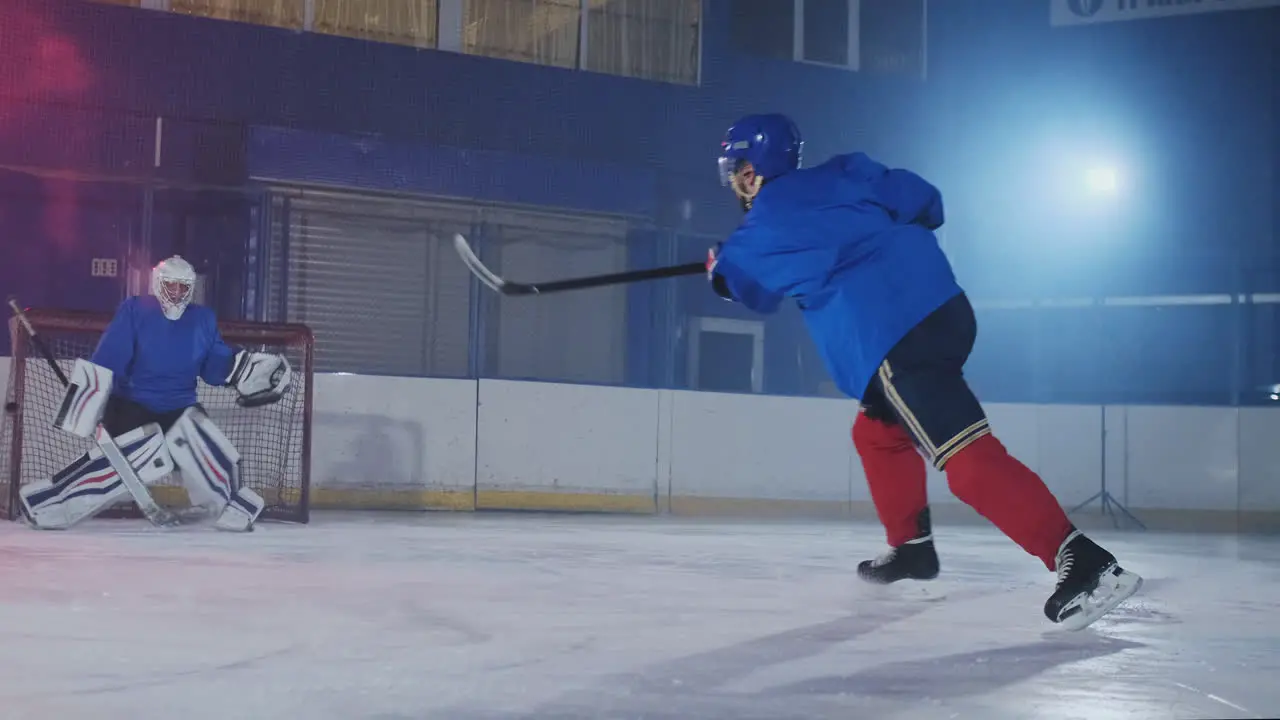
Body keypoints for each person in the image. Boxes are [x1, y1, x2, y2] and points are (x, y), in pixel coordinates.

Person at [705, 113, 1142, 630]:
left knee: (966, 459)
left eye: (738, 170)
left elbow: (744, 288)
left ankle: (1084, 561)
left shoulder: (762, 228)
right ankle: (912, 548)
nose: (736, 181)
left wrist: (718, 270)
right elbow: (925, 200)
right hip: (946, 310)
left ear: (754, 171)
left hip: (893, 338)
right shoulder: (849, 171)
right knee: (877, 432)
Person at [20, 255, 292, 532]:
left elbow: (215, 364)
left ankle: (229, 502)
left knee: (199, 437)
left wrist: (247, 370)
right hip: (132, 407)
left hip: (179, 406)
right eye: (170, 286)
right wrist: (87, 401)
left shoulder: (202, 319)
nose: (176, 293)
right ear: (157, 284)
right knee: (142, 451)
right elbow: (109, 357)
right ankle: (53, 500)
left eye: (183, 287)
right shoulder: (135, 310)